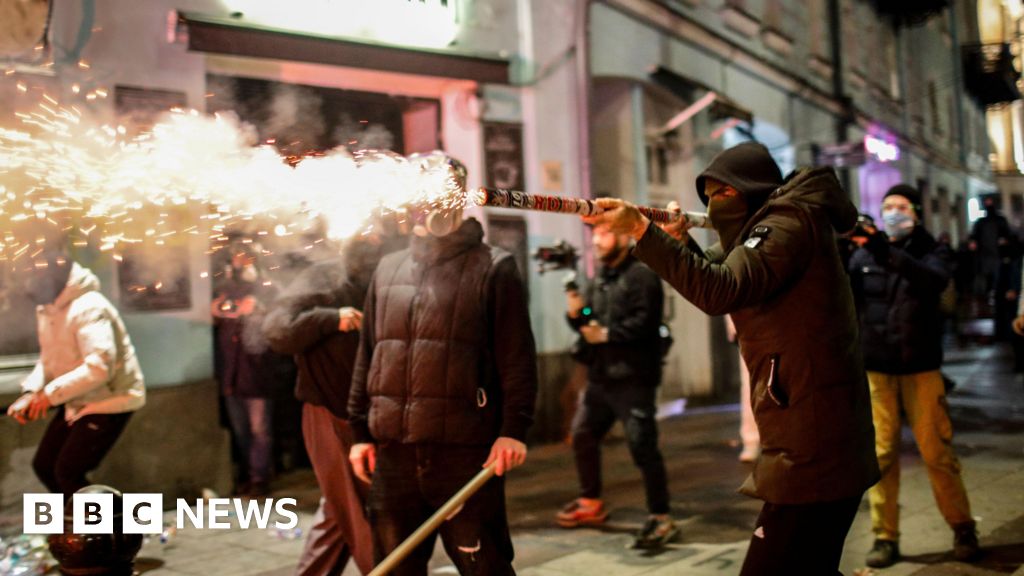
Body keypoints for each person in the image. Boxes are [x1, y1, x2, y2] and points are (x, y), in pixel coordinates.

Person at [582, 142, 879, 575]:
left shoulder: (788, 223)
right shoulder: (779, 223)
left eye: (725, 194)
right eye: (711, 197)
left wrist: (642, 231)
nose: (717, 205)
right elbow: (725, 275)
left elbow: (720, 290)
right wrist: (676, 242)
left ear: (752, 190)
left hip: (813, 438)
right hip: (809, 428)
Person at [347, 211, 538, 576]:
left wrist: (513, 430)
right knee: (395, 568)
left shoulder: (494, 266)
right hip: (393, 454)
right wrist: (359, 433)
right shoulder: (388, 268)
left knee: (484, 565)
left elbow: (517, 357)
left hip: (464, 455)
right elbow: (368, 353)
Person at [848, 184, 979, 568]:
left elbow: (933, 282)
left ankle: (962, 526)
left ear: (916, 212)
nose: (892, 213)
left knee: (937, 452)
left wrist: (880, 249)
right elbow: (848, 294)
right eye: (887, 206)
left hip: (921, 368)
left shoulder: (933, 250)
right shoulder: (863, 254)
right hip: (878, 370)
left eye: (901, 207)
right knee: (881, 456)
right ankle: (884, 535)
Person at [263, 233, 403, 576]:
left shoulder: (388, 273)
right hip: (331, 410)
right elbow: (277, 329)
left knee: (338, 512)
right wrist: (329, 319)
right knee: (362, 510)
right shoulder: (323, 276)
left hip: (373, 413)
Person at [556, 222, 675, 549]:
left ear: (625, 236)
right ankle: (590, 502)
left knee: (642, 445)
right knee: (582, 435)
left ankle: (661, 516)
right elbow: (588, 319)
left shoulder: (642, 276)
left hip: (633, 377)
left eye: (606, 232)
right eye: (595, 233)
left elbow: (646, 322)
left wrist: (608, 334)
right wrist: (576, 305)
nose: (597, 238)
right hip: (601, 377)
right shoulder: (601, 278)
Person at [6, 239, 145, 498]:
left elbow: (99, 367)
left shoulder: (89, 306)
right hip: (77, 401)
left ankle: (115, 531)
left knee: (67, 471)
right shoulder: (47, 309)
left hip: (111, 401)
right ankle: (74, 531)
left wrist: (48, 396)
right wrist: (32, 392)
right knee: (45, 466)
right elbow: (48, 359)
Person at [211, 241, 291, 498]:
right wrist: (218, 311)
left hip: (256, 373)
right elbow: (216, 314)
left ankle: (260, 478)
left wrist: (259, 309)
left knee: (260, 430)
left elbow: (283, 320)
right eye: (236, 257)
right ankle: (248, 474)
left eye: (244, 257)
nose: (239, 261)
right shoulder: (224, 288)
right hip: (231, 373)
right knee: (242, 430)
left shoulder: (268, 289)